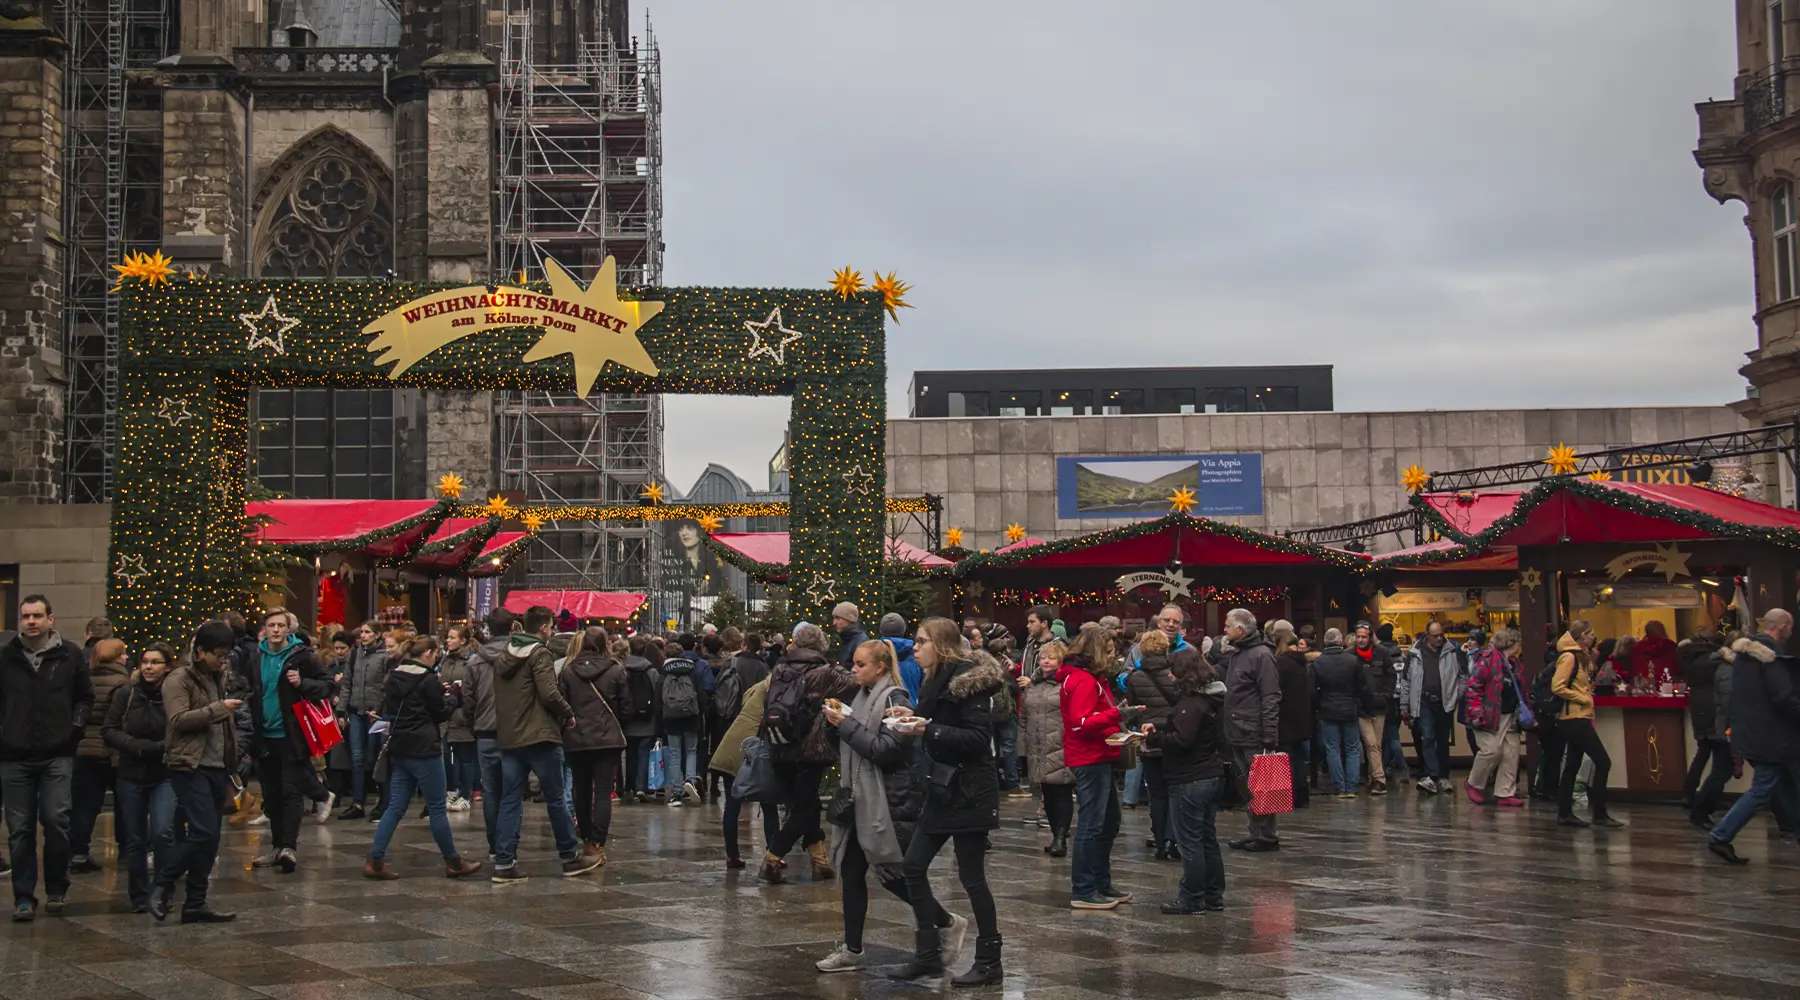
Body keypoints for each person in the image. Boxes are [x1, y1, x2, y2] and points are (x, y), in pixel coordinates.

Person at [816, 640, 969, 974]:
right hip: (859, 797)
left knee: (892, 875)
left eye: (860, 665)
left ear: (880, 667)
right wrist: (835, 724)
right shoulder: (858, 697)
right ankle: (853, 949)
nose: (853, 670)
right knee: (852, 871)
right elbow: (850, 743)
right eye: (853, 664)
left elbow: (885, 750)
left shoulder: (895, 698)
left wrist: (846, 725)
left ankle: (945, 921)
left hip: (889, 801)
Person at [891, 617, 1005, 987]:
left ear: (940, 645)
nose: (915, 647)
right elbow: (940, 721)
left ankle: (989, 961)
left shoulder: (967, 683)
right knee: (912, 865)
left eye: (922, 641)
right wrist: (914, 717)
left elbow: (976, 738)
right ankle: (928, 954)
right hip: (942, 787)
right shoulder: (934, 678)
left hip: (970, 789)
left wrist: (928, 728)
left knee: (972, 878)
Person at [0, 595, 93, 921]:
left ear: (50, 619)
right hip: (13, 755)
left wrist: (74, 730)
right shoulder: (6, 656)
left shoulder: (70, 654)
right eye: (26, 616)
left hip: (57, 753)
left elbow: (84, 697)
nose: (31, 621)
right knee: (20, 829)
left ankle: (57, 888)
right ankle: (24, 897)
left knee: (56, 820)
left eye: (37, 615)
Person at [491, 605, 599, 883]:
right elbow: (549, 693)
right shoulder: (540, 654)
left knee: (510, 798)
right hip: (539, 734)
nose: (552, 631)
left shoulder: (505, 654)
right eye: (551, 627)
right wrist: (567, 712)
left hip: (510, 736)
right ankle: (568, 855)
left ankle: (504, 862)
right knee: (555, 798)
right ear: (543, 628)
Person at [363, 635, 482, 880]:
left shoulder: (394, 676)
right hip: (424, 748)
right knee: (437, 807)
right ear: (427, 653)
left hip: (400, 747)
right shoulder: (428, 679)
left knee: (395, 806)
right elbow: (439, 713)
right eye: (435, 653)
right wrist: (452, 698)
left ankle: (375, 859)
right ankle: (453, 861)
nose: (437, 656)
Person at [152, 621, 242, 923]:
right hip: (189, 765)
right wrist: (220, 708)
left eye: (227, 654)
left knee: (211, 838)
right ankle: (163, 882)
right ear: (200, 651)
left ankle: (195, 902)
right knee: (203, 832)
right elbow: (177, 720)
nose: (223, 660)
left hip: (217, 766)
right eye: (218, 654)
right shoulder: (179, 678)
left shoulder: (219, 675)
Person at [758, 623, 856, 883]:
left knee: (805, 803)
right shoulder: (825, 671)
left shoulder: (780, 667)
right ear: (820, 644)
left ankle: (820, 861)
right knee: (802, 808)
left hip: (779, 743)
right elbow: (856, 684)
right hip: (810, 749)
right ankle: (772, 856)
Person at [1708, 610, 1800, 864]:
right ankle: (1720, 835)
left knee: (1784, 784)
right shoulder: (1769, 658)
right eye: (1790, 626)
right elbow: (1783, 697)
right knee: (1763, 788)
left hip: (1753, 734)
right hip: (1773, 737)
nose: (1791, 631)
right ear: (1782, 626)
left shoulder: (1743, 658)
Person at [1143, 652, 1227, 915]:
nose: (1169, 675)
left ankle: (1192, 897)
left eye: (1172, 671)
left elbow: (1182, 741)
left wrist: (1155, 738)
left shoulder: (1191, 703)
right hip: (1210, 774)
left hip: (1190, 777)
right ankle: (1213, 895)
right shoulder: (1211, 699)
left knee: (1190, 841)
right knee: (1206, 839)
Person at [103, 642, 175, 912]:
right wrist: (135, 746)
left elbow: (181, 726)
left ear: (167, 667)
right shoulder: (126, 694)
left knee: (163, 832)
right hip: (130, 772)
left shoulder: (172, 694)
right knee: (134, 839)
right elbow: (109, 729)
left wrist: (159, 748)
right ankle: (139, 896)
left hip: (164, 772)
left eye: (155, 662)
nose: (148, 666)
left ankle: (163, 890)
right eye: (145, 661)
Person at [1060, 623, 1126, 908]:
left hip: (1096, 755)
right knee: (1093, 824)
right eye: (1109, 651)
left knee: (1108, 822)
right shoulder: (1085, 681)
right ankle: (1085, 889)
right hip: (1091, 758)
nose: (1113, 657)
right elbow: (1081, 723)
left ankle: (1099, 883)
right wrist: (1115, 714)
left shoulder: (1084, 678)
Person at [558, 628, 628, 865]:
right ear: (604, 644)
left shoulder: (568, 671)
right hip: (607, 738)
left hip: (577, 738)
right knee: (603, 792)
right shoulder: (616, 670)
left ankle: (586, 837)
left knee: (581, 789)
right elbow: (625, 706)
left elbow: (562, 704)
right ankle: (598, 842)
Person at [1550, 620, 1622, 829]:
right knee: (1603, 762)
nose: (1593, 637)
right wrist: (1582, 698)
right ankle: (1599, 813)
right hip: (1574, 718)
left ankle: (1565, 813)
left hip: (1576, 717)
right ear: (1581, 637)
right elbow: (1557, 686)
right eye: (1590, 634)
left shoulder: (1579, 657)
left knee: (1572, 765)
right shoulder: (1569, 657)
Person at [1220, 608, 1280, 852]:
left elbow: (1271, 696)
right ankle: (1255, 831)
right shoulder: (1238, 653)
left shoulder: (1262, 655)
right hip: (1237, 729)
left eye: (1227, 625)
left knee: (1261, 785)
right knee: (1246, 784)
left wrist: (1269, 734)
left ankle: (1265, 835)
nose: (1224, 629)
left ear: (1240, 630)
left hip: (1252, 730)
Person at [708, 672, 782, 870]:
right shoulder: (775, 693)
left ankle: (732, 855)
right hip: (752, 752)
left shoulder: (757, 688)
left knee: (733, 805)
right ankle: (773, 853)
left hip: (731, 746)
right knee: (768, 803)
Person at [69, 636, 130, 873]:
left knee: (85, 806)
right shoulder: (123, 683)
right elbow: (121, 720)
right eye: (123, 653)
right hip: (114, 751)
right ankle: (126, 850)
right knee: (123, 804)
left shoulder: (85, 679)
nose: (126, 657)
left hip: (85, 749)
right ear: (115, 657)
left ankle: (78, 853)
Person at [1125, 628, 1181, 857]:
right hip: (1172, 738)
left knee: (1156, 794)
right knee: (1174, 792)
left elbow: (1134, 708)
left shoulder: (1135, 677)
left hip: (1149, 739)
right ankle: (1172, 839)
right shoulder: (1175, 674)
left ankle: (1159, 841)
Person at [1464, 627, 1526, 807]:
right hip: (1489, 714)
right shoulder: (1488, 660)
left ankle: (1505, 792)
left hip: (1510, 714)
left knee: (1510, 753)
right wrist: (1476, 712)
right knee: (1491, 750)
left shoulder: (1514, 663)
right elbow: (1474, 687)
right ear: (1511, 644)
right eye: (1518, 643)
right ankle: (1473, 783)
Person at [1021, 638, 1072, 856]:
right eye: (1042, 657)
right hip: (1038, 745)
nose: (1046, 661)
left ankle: (1061, 836)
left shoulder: (1067, 684)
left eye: (1051, 657)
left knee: (1061, 791)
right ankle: (1055, 834)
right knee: (1047, 793)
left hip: (1060, 744)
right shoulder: (1033, 685)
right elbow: (1024, 715)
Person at [1403, 621, 1467, 795]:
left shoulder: (1453, 651)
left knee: (1442, 740)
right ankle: (1432, 775)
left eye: (1441, 634)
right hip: (1423, 701)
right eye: (1435, 635)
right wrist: (1405, 705)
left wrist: (1456, 695)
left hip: (1445, 702)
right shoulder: (1415, 652)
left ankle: (1443, 776)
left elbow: (1463, 676)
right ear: (1427, 635)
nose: (1439, 638)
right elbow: (1406, 680)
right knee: (1428, 737)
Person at [465, 610, 507, 860]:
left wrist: (475, 721)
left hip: (485, 731)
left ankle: (494, 844)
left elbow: (468, 700)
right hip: (514, 731)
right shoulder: (520, 657)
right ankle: (507, 844)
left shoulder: (475, 661)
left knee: (491, 791)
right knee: (511, 791)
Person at [338, 621, 389, 819]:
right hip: (357, 711)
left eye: (368, 632)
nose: (364, 636)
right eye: (362, 633)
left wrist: (380, 708)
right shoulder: (354, 654)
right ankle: (358, 803)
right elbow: (347, 683)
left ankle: (383, 802)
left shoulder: (384, 656)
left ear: (377, 635)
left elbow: (387, 686)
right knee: (357, 758)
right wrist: (341, 710)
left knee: (377, 756)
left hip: (377, 714)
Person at [1680, 626, 1730, 826]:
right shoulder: (1715, 660)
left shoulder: (1689, 658)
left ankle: (1689, 794)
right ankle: (1707, 800)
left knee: (1702, 753)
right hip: (1714, 709)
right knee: (1721, 761)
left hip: (1698, 708)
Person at [1311, 628, 1365, 799]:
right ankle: (1352, 786)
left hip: (1327, 709)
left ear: (1325, 642)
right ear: (1341, 641)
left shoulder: (1318, 663)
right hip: (1349, 708)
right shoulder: (1353, 661)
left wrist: (1318, 705)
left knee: (1332, 748)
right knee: (1352, 748)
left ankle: (1339, 787)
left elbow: (1312, 691)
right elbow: (1362, 686)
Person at [660, 633, 709, 806]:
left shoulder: (664, 671)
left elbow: (659, 697)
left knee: (674, 753)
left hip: (671, 718)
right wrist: (702, 713)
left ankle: (677, 791)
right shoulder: (692, 670)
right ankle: (690, 780)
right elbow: (701, 695)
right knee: (691, 751)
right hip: (691, 716)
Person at [1269, 622, 1313, 809]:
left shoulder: (1280, 664)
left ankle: (1286, 797)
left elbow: (1275, 692)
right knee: (1299, 759)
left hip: (1285, 718)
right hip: (1302, 718)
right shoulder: (1302, 663)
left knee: (1285, 759)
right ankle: (1302, 796)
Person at [439, 624, 479, 812]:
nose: (448, 640)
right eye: (448, 637)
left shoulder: (471, 660)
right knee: (447, 755)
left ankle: (466, 793)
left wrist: (460, 691)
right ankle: (451, 790)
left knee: (465, 757)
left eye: (452, 637)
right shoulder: (445, 660)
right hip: (446, 715)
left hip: (463, 715)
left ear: (463, 640)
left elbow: (474, 687)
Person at [621, 635, 662, 801]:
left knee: (630, 754)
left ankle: (628, 785)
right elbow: (657, 695)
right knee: (644, 752)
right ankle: (641, 787)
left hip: (628, 718)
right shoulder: (651, 671)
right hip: (647, 720)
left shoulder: (621, 669)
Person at [879, 613, 923, 700]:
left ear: (881, 630)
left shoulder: (874, 655)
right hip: (911, 707)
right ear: (903, 630)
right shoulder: (917, 656)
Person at [1630, 621, 1679, 690]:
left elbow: (1635, 668)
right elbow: (1677, 666)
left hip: (1644, 686)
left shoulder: (1638, 648)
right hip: (1668, 685)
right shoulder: (1671, 646)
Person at [832, 602, 869, 668]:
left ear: (850, 619)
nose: (834, 623)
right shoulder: (847, 638)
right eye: (834, 618)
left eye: (838, 618)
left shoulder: (860, 642)